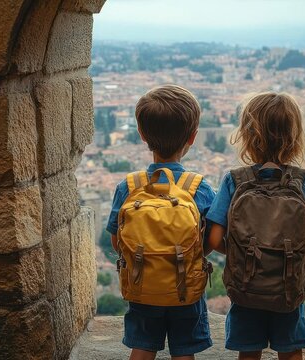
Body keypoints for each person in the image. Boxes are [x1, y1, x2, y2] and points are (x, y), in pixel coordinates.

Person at [206, 92, 305, 360]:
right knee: (290, 351)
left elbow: (214, 238)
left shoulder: (234, 181)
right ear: (295, 139)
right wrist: (290, 244)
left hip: (247, 287)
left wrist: (244, 252)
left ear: (247, 138)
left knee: (248, 353)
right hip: (288, 287)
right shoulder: (302, 182)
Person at [106, 85, 215, 360]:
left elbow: (116, 238)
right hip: (185, 288)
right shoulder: (199, 188)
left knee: (142, 347)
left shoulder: (129, 187)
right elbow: (211, 239)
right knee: (184, 351)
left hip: (143, 284)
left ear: (142, 135)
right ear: (192, 137)